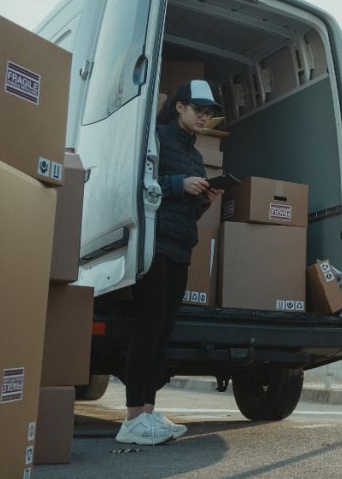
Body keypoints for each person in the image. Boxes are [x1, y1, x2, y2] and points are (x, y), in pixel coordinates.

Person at [115, 79, 225, 445]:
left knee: (164, 329)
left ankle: (147, 412)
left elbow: (188, 212)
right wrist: (180, 184)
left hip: (181, 246)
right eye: (199, 110)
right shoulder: (157, 138)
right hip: (153, 242)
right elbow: (136, 183)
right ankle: (131, 419)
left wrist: (206, 197)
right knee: (149, 324)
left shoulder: (195, 154)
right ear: (179, 107)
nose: (204, 117)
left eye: (209, 113)